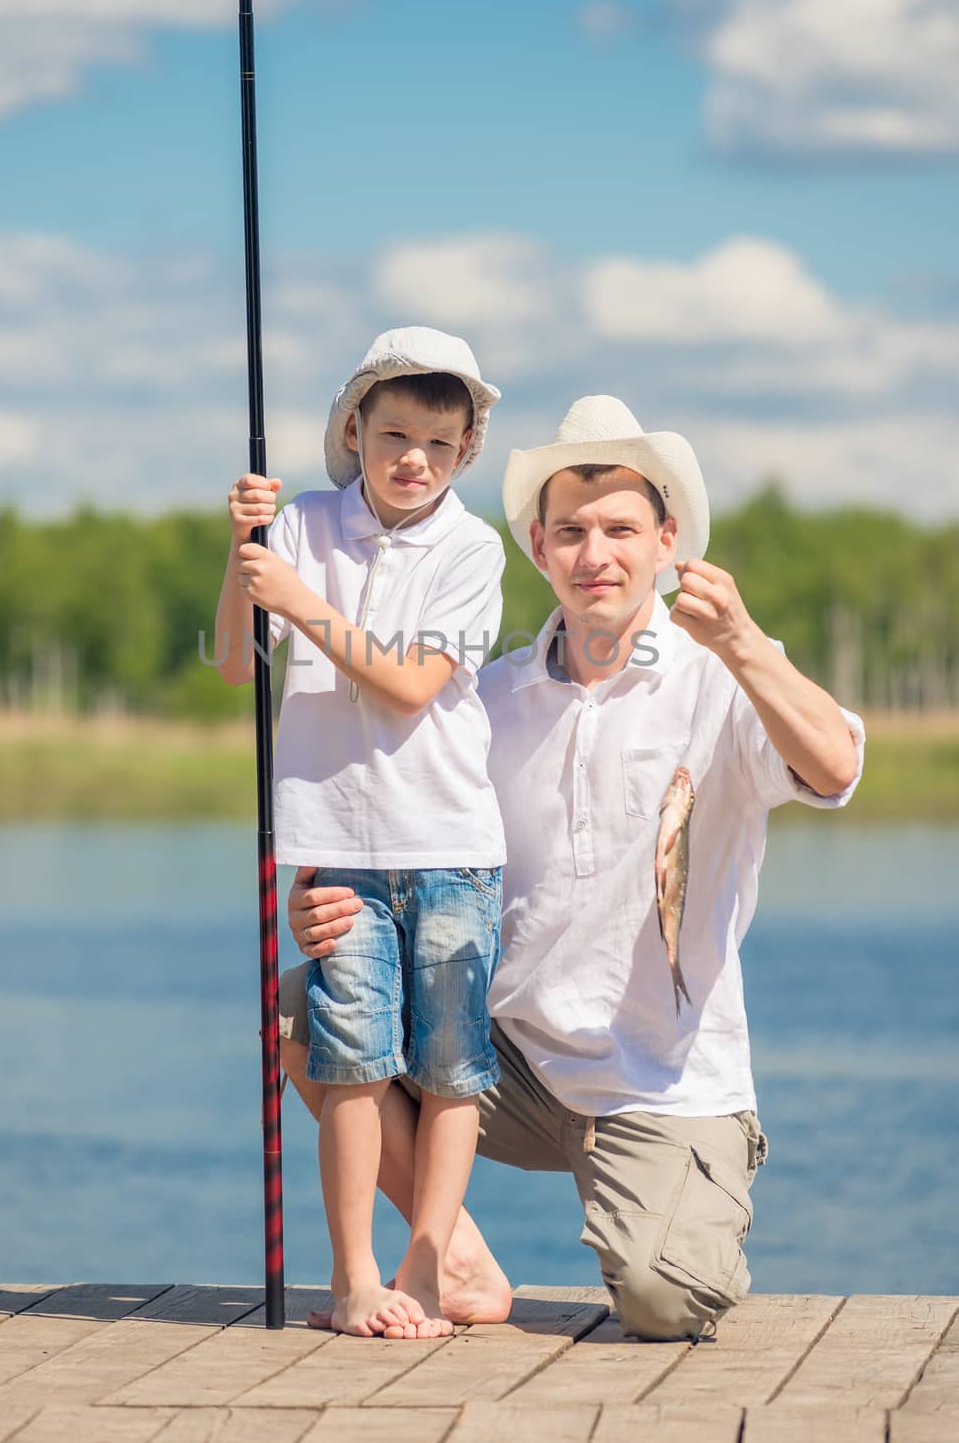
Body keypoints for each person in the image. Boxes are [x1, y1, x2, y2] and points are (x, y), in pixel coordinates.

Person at [279, 395, 865, 1341]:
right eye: (571, 531)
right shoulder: (492, 696)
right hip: (505, 1062)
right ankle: (450, 1255)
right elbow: (396, 824)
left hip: (666, 1081)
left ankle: (678, 1198)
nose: (597, 554)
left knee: (663, 1302)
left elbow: (835, 766)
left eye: (622, 530)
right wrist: (323, 900)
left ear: (668, 541)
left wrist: (746, 645)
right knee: (304, 1007)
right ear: (541, 548)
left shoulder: (723, 675)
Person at [214, 326, 507, 1340]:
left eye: (436, 441)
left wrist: (297, 597)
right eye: (392, 433)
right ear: (356, 428)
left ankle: (427, 1273)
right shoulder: (303, 526)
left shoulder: (473, 547)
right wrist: (245, 555)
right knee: (349, 1057)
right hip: (336, 843)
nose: (411, 458)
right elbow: (229, 662)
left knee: (451, 1066)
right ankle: (355, 1281)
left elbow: (410, 683)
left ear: (465, 451)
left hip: (451, 843)